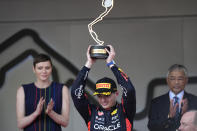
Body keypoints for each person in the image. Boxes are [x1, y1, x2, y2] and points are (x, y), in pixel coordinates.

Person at [71, 45, 136, 131]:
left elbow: (129, 89)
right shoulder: (91, 112)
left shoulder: (125, 110)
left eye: (107, 95)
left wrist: (111, 64)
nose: (103, 100)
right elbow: (75, 92)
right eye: (99, 96)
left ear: (116, 93)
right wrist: (88, 63)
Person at [16, 54, 70, 131]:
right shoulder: (23, 90)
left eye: (47, 68)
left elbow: (65, 122)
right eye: (40, 68)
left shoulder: (62, 89)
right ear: (34, 69)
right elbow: (20, 124)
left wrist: (51, 113)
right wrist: (36, 113)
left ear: (51, 69)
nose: (44, 71)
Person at [148, 64, 197, 131]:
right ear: (167, 80)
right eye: (172, 79)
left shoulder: (195, 101)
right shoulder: (156, 102)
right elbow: (151, 127)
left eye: (180, 79)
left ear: (186, 80)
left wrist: (185, 115)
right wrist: (169, 118)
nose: (176, 82)